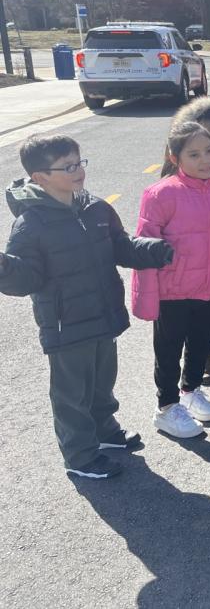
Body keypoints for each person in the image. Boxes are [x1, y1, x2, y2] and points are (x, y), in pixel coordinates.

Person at [0, 135, 173, 479]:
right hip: (66, 324)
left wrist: (154, 250)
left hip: (103, 313)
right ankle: (79, 456)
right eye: (67, 166)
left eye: (79, 162)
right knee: (71, 394)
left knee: (101, 382)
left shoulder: (95, 207)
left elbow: (120, 247)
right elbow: (25, 279)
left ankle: (105, 432)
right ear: (40, 177)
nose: (78, 171)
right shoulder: (30, 225)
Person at [133, 121, 210, 439]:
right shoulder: (160, 194)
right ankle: (167, 407)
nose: (205, 160)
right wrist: (146, 297)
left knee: (200, 344)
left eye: (209, 151)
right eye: (194, 154)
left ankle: (191, 390)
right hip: (173, 290)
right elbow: (144, 248)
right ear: (175, 157)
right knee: (169, 349)